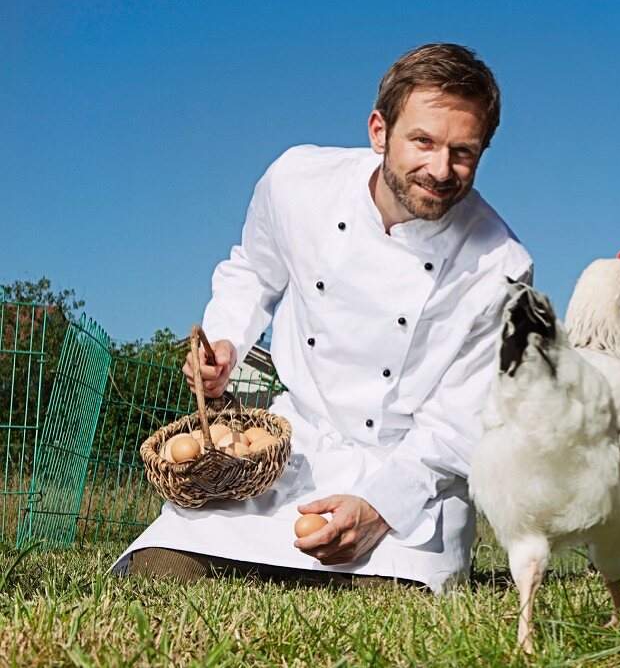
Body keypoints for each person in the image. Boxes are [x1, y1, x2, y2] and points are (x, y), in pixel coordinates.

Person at [112, 43, 532, 592]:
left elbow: (461, 421)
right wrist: (224, 342)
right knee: (160, 571)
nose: (440, 169)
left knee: (390, 605)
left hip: (410, 469)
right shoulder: (297, 183)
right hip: (295, 445)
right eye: (423, 141)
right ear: (380, 131)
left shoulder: (502, 266)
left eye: (463, 152)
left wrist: (381, 508)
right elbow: (252, 271)